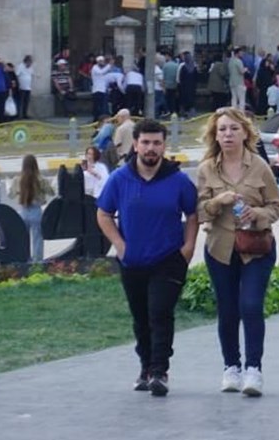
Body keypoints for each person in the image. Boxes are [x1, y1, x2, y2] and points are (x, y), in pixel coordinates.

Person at [95, 119, 199, 396]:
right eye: (146, 143)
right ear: (136, 144)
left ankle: (159, 370)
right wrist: (119, 244)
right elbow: (103, 214)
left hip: (168, 259)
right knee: (140, 318)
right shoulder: (120, 178)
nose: (151, 148)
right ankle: (145, 367)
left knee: (160, 313)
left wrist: (188, 247)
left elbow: (192, 214)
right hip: (133, 261)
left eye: (156, 143)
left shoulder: (178, 181)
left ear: (164, 146)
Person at [195, 107, 279, 397]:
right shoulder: (207, 168)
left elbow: (276, 206)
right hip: (220, 248)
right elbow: (199, 211)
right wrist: (216, 202)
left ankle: (253, 369)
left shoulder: (259, 165)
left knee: (251, 305)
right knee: (228, 310)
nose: (228, 134)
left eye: (234, 128)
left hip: (256, 248)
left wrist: (256, 214)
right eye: (222, 129)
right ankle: (231, 367)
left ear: (245, 133)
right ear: (215, 135)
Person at [8, 154, 54, 263]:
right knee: (37, 239)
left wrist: (8, 185)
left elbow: (10, 195)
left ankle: (25, 261)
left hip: (23, 212)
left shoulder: (17, 180)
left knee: (24, 239)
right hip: (37, 212)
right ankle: (37, 263)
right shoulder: (41, 179)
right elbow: (51, 192)